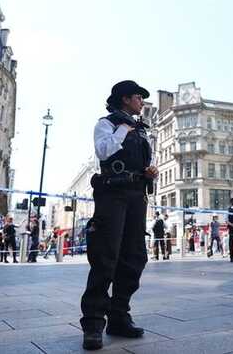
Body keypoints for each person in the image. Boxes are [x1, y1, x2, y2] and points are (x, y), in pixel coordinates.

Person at [80, 80, 158, 351]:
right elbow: (103, 151)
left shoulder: (141, 130)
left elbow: (139, 160)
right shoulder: (108, 123)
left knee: (134, 256)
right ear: (125, 99)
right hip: (112, 195)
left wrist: (149, 171)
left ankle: (119, 315)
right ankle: (92, 323)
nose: (142, 102)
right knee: (105, 256)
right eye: (139, 97)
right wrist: (124, 128)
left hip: (137, 195)